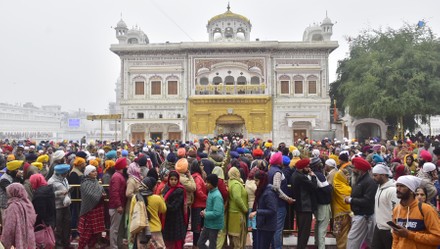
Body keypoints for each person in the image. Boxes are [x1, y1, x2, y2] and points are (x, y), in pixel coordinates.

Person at [392, 175, 440, 248]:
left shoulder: (426, 209)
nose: (398, 189)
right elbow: (395, 237)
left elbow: (437, 238)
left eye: (402, 186)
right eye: (397, 186)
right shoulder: (397, 209)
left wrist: (410, 235)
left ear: (411, 191)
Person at [345, 156, 376, 249]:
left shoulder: (369, 182)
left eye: (354, 168)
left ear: (360, 170)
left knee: (352, 241)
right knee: (370, 241)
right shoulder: (360, 179)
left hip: (363, 216)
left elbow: (367, 201)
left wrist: (351, 200)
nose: (353, 170)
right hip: (360, 215)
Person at [267, 152, 294, 249]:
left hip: (273, 203)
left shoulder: (271, 170)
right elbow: (276, 188)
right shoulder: (277, 172)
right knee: (278, 229)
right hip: (279, 204)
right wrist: (287, 199)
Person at [290, 158, 318, 249]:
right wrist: (313, 176)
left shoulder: (295, 174)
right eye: (307, 167)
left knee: (301, 230)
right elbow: (313, 187)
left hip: (300, 207)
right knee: (304, 232)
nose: (309, 169)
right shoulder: (301, 177)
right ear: (302, 168)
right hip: (305, 207)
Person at [1, 183, 37, 249]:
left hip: (19, 239)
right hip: (30, 237)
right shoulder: (28, 203)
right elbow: (33, 219)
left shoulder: (13, 207)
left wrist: (5, 243)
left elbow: (9, 228)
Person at [78, 165, 106, 249]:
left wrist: (103, 195)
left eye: (95, 171)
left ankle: (91, 246)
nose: (95, 173)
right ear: (88, 173)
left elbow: (101, 191)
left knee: (95, 233)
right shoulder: (85, 183)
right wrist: (100, 195)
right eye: (93, 171)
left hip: (97, 210)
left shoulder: (96, 181)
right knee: (86, 233)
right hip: (89, 210)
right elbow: (89, 195)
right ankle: (81, 247)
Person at [371, 163, 399, 249]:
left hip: (388, 230)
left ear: (383, 175)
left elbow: (396, 211)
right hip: (379, 227)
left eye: (375, 175)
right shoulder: (379, 187)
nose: (373, 178)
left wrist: (393, 230)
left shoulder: (392, 190)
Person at [249, 170, 277, 249]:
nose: (255, 183)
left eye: (257, 180)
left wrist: (257, 212)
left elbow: (272, 210)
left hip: (267, 226)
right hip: (263, 224)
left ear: (262, 180)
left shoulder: (268, 193)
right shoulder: (263, 190)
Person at [48, 163, 72, 249]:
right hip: (57, 207)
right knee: (58, 227)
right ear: (60, 173)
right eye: (65, 173)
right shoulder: (51, 182)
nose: (66, 174)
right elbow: (50, 195)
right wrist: (60, 193)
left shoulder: (64, 179)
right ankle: (59, 245)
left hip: (66, 206)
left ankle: (66, 243)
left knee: (67, 225)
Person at [198, 174, 225, 249]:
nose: (205, 184)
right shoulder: (210, 192)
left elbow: (217, 212)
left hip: (214, 225)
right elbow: (210, 207)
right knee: (200, 243)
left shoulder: (217, 196)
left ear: (212, 183)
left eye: (208, 182)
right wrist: (205, 211)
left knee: (212, 245)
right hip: (208, 224)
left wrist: (206, 214)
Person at [162, 170, 187, 249]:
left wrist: (163, 202)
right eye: (171, 179)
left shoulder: (180, 190)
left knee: (176, 240)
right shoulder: (166, 187)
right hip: (167, 218)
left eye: (175, 180)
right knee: (168, 240)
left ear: (178, 180)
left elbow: (174, 207)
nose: (173, 181)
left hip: (176, 218)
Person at [140, 176, 167, 249]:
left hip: (140, 229)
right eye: (155, 185)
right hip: (155, 228)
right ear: (152, 186)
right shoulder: (157, 198)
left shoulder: (136, 198)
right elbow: (163, 210)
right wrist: (161, 195)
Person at [108, 157, 128, 249]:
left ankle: (118, 244)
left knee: (118, 228)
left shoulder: (118, 176)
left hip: (118, 205)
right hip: (116, 206)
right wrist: (119, 205)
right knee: (115, 228)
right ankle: (113, 246)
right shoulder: (117, 177)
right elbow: (115, 192)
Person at [227, 167, 248, 249]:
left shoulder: (231, 182)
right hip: (237, 214)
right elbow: (237, 198)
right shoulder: (236, 184)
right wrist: (245, 209)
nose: (239, 173)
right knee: (238, 238)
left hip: (233, 213)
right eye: (238, 172)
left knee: (235, 239)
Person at [331, 166, 352, 249]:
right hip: (344, 214)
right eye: (346, 176)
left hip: (337, 214)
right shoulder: (345, 188)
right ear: (342, 176)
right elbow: (346, 200)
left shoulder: (335, 184)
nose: (348, 178)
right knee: (343, 235)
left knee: (340, 235)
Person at [191, 160, 208, 248]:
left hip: (199, 204)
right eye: (201, 165)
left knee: (198, 227)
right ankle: (196, 245)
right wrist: (206, 198)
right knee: (197, 227)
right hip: (199, 204)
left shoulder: (197, 176)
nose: (203, 167)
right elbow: (198, 191)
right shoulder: (197, 177)